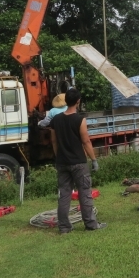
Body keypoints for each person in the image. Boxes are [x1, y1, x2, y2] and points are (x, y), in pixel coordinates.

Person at [49, 88, 106, 233]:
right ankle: (91, 225)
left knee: (64, 194)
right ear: (78, 101)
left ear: (65, 101)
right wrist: (94, 160)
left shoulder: (55, 120)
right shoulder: (80, 120)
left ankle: (63, 227)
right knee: (85, 192)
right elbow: (86, 141)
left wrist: (58, 158)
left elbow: (54, 142)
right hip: (79, 163)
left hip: (62, 163)